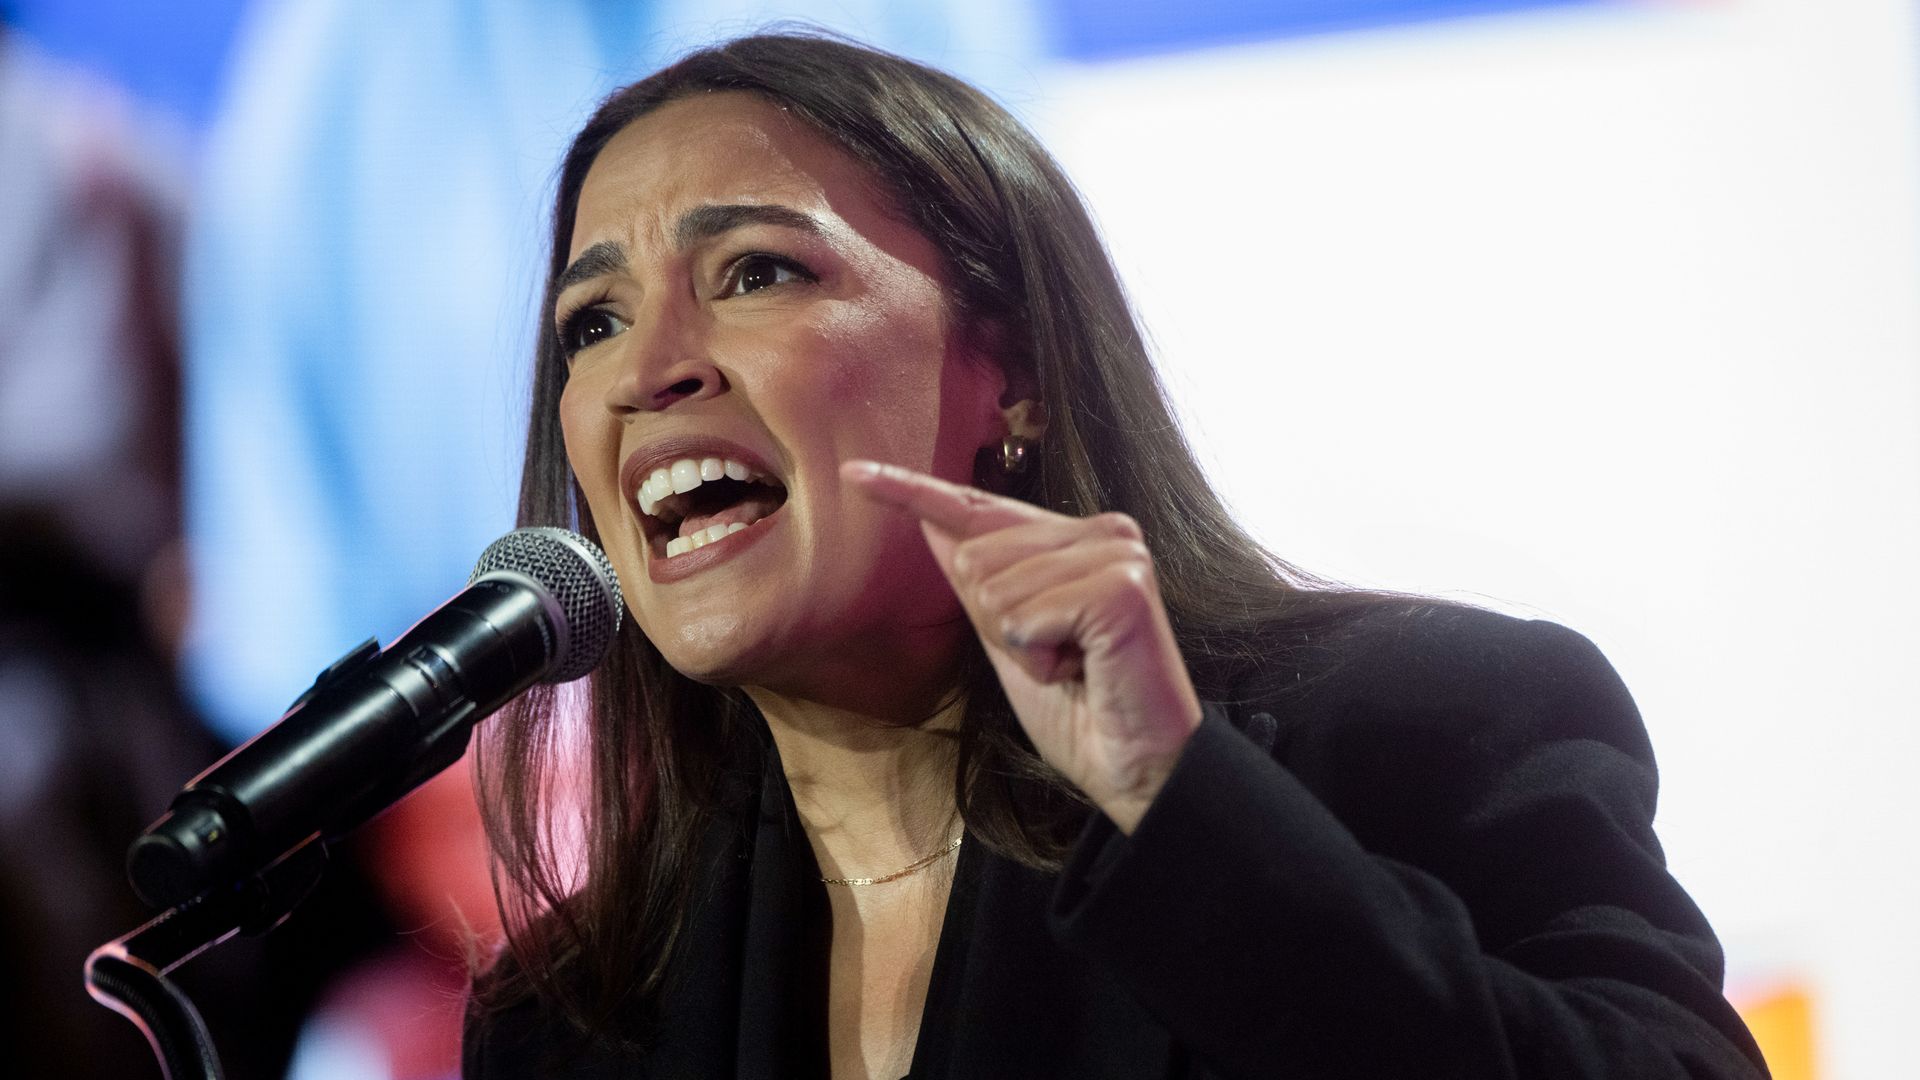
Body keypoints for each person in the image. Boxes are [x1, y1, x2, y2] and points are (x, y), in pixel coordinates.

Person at [462, 32, 1771, 1080]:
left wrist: (1176, 800)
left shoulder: (1421, 729)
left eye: (756, 273)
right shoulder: (568, 1017)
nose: (646, 370)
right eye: (592, 322)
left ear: (1018, 374)